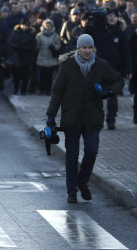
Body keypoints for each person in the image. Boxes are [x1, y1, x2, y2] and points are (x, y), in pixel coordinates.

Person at [46, 34, 123, 203]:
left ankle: (83, 181)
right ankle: (71, 191)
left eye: (90, 47)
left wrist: (109, 92)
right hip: (71, 118)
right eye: (84, 47)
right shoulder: (67, 66)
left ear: (93, 48)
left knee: (91, 151)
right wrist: (50, 117)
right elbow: (57, 92)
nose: (87, 51)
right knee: (72, 156)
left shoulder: (101, 65)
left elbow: (118, 80)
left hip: (92, 118)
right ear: (78, 49)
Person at [84, 9, 133, 130]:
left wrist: (128, 70)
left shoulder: (120, 34)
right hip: (97, 68)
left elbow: (126, 53)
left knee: (112, 96)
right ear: (106, 18)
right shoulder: (98, 30)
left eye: (114, 16)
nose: (112, 18)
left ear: (118, 19)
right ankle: (96, 120)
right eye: (109, 16)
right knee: (95, 96)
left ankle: (111, 121)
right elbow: (86, 36)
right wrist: (90, 21)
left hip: (114, 70)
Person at [8, 18, 37, 95]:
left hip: (27, 57)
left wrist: (25, 47)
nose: (24, 27)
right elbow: (10, 42)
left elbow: (33, 45)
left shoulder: (31, 34)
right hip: (17, 57)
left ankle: (23, 90)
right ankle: (16, 88)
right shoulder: (15, 33)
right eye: (23, 25)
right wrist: (17, 47)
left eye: (26, 25)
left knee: (25, 76)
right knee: (16, 75)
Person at [35, 19, 62, 95]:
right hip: (42, 57)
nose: (48, 27)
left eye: (49, 26)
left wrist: (54, 47)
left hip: (51, 58)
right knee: (42, 75)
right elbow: (36, 47)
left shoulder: (55, 35)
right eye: (46, 26)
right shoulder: (39, 35)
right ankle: (42, 89)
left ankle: (48, 90)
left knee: (49, 76)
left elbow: (59, 45)